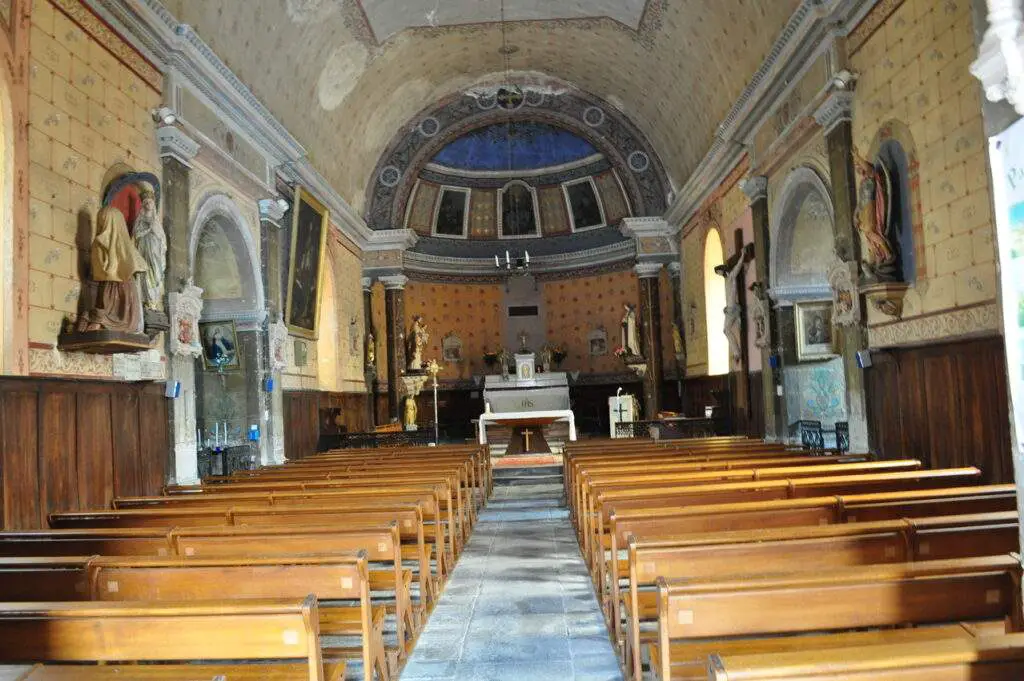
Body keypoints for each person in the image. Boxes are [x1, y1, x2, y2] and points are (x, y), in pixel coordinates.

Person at [77, 205, 147, 334]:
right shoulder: (113, 245)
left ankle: (101, 323)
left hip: (118, 287)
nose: (100, 225)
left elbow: (104, 273)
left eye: (102, 221)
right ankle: (99, 322)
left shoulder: (101, 244)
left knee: (116, 319)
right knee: (91, 316)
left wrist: (98, 320)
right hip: (114, 286)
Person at [133, 182, 166, 310]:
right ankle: (147, 300)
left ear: (153, 204)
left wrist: (155, 231)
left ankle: (154, 300)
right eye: (145, 202)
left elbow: (162, 239)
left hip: (155, 251)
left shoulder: (156, 220)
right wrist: (148, 230)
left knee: (156, 274)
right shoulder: (140, 220)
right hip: (144, 249)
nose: (148, 204)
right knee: (146, 273)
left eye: (150, 202)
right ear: (143, 204)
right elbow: (136, 234)